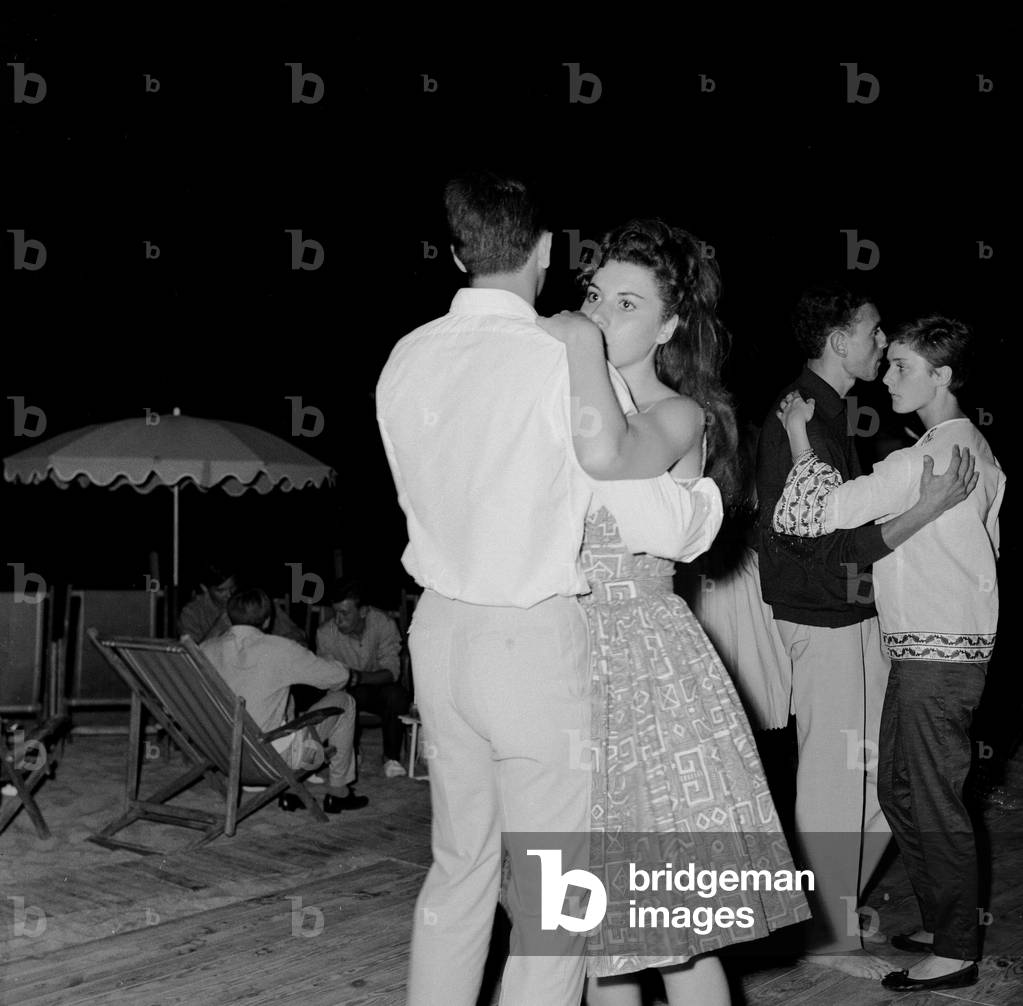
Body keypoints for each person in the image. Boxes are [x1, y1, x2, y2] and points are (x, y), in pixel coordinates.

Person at [541, 219, 810, 1006]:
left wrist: (577, 351)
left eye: (627, 303)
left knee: (675, 932)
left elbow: (615, 455)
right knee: (592, 932)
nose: (598, 314)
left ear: (666, 326)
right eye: (594, 295)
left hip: (644, 674)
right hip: (562, 664)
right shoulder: (563, 402)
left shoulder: (680, 415)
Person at [377, 170, 599, 1006]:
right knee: (553, 897)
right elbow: (622, 492)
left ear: (458, 250)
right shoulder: (560, 355)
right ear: (544, 250)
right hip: (530, 637)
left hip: (437, 633)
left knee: (459, 865)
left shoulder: (408, 356)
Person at [772, 315, 1004, 993]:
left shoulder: (924, 459)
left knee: (928, 800)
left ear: (943, 377)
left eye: (903, 366)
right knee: (901, 791)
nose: (889, 377)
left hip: (938, 659)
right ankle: (943, 919)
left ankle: (955, 950)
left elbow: (816, 512)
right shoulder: (964, 448)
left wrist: (793, 433)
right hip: (931, 652)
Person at [200, 588, 368, 814]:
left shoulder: (206, 649)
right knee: (344, 702)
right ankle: (339, 790)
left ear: (229, 617)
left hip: (222, 754)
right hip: (271, 760)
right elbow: (339, 677)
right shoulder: (279, 648)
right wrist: (331, 662)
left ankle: (291, 791)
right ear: (268, 620)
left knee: (282, 699)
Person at [316, 579, 410, 778]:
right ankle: (351, 751)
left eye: (345, 613)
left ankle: (391, 757)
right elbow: (327, 677)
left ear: (363, 611)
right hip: (346, 690)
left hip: (378, 686)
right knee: (342, 698)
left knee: (397, 695)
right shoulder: (325, 633)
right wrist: (347, 679)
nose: (338, 620)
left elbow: (392, 672)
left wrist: (358, 677)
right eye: (336, 613)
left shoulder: (383, 623)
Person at [180, 563, 306, 645]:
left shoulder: (253, 600)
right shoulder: (191, 613)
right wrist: (217, 629)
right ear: (204, 588)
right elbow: (191, 660)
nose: (229, 595)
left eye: (232, 588)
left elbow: (297, 634)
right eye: (221, 591)